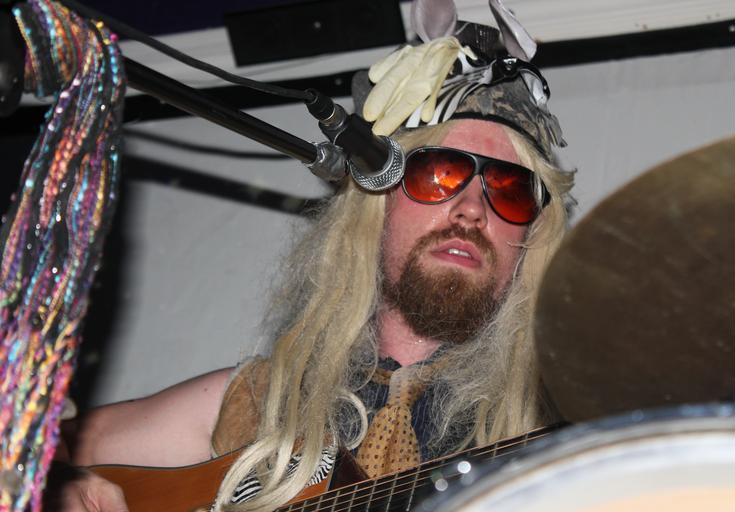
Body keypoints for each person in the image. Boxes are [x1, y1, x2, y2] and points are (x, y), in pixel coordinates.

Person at [54, 1, 574, 510]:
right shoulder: (257, 402)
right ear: (377, 198)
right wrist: (59, 484)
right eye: (440, 173)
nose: (472, 209)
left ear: (531, 235)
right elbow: (31, 441)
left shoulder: (565, 439)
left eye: (510, 190)